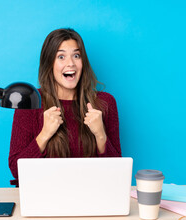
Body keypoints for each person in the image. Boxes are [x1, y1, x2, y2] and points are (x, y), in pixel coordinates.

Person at [8, 28, 121, 186]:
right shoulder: (31, 102)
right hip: (44, 196)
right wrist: (44, 134)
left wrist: (101, 135)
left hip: (92, 196)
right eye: (61, 57)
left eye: (76, 55)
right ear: (49, 64)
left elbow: (116, 174)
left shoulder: (105, 103)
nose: (71, 64)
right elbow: (16, 169)